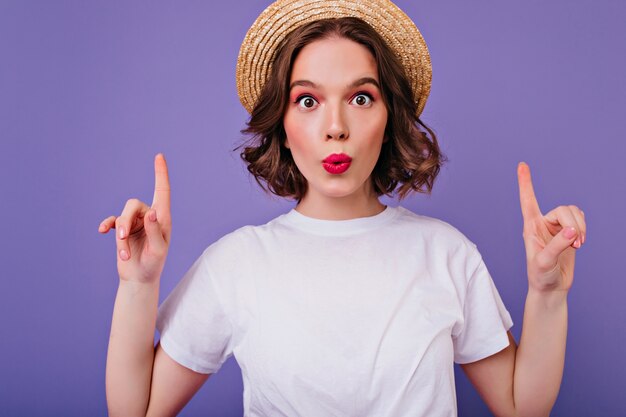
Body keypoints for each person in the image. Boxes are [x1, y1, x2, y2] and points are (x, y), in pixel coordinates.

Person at [100, 1, 587, 416]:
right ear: (283, 127)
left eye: (360, 97)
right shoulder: (236, 263)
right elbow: (136, 410)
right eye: (308, 100)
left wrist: (548, 295)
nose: (336, 126)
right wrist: (138, 284)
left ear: (389, 117)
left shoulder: (445, 253)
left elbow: (522, 407)